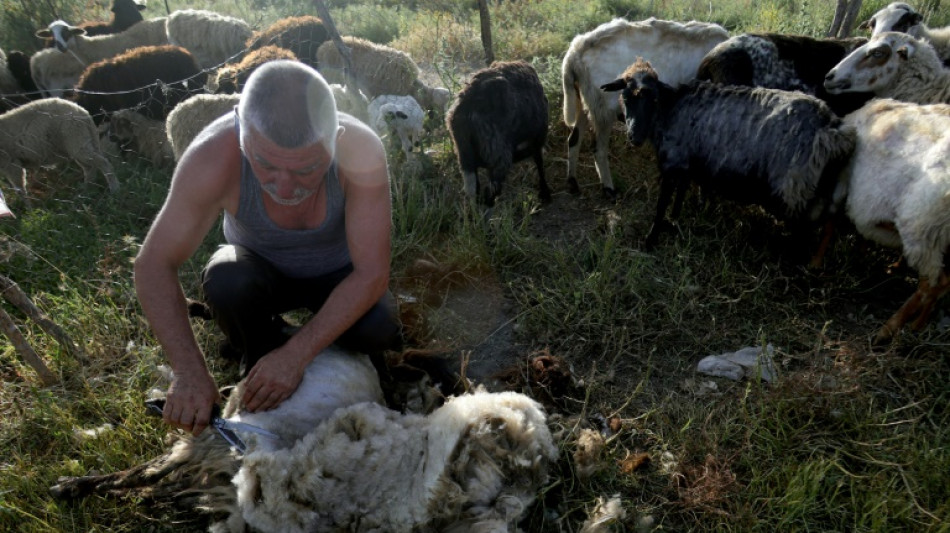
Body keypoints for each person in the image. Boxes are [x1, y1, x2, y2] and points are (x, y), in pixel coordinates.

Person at [134, 60, 402, 437]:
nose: (286, 187)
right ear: (241, 131)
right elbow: (153, 264)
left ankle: (309, 353)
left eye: (307, 169)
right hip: (260, 274)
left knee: (379, 328)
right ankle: (259, 351)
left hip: (338, 276)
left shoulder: (361, 152)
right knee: (227, 278)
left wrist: (297, 355)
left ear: (335, 137)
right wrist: (188, 372)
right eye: (264, 164)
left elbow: (371, 272)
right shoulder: (212, 158)